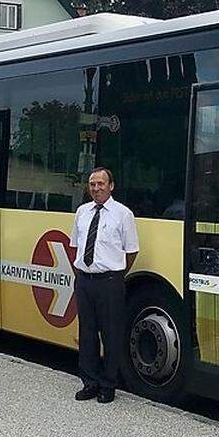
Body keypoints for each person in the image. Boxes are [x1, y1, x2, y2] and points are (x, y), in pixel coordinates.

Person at [70, 167, 138, 404]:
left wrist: (115, 274)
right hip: (85, 281)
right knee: (87, 334)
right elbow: (75, 246)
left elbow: (131, 251)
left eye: (101, 184)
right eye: (92, 184)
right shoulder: (82, 212)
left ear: (111, 186)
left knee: (111, 334)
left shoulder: (123, 214)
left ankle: (108, 385)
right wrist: (79, 276)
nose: (96, 188)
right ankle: (89, 383)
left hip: (110, 282)